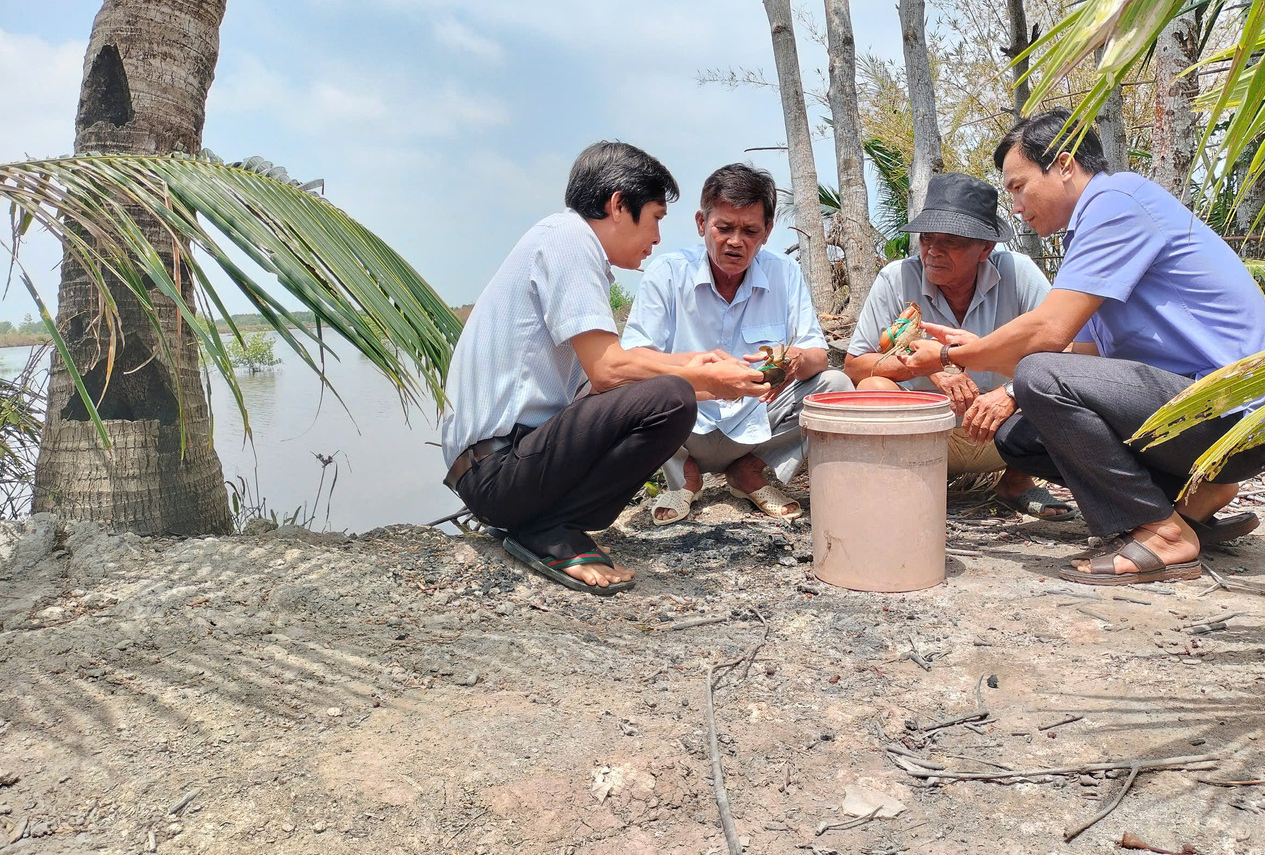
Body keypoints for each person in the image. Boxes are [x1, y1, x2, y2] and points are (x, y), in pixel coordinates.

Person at [910, 109, 1265, 585]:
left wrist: (952, 356)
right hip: (1198, 414)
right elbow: (1087, 352)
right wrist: (1002, 385)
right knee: (1017, 438)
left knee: (1037, 377)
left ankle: (1164, 534)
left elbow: (1049, 336)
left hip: (1234, 417)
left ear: (1065, 165)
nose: (1015, 205)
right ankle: (1193, 499)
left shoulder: (1117, 204)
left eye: (1018, 186)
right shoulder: (1096, 224)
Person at [439, 142, 768, 595]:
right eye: (654, 217)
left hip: (505, 469)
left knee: (674, 391)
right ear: (618, 205)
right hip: (497, 474)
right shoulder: (568, 240)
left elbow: (614, 376)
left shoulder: (562, 244)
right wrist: (700, 378)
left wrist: (703, 369)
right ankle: (551, 527)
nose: (656, 238)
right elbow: (609, 370)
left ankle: (546, 524)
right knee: (672, 398)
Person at [621, 163, 853, 524]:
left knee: (836, 387)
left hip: (758, 420)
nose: (735, 241)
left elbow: (818, 356)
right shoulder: (667, 273)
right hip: (683, 425)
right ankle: (685, 476)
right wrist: (698, 375)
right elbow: (635, 358)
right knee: (632, 385)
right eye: (724, 228)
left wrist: (796, 359)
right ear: (702, 223)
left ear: (767, 232)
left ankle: (750, 471)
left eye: (750, 231)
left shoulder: (785, 273)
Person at [845, 172, 1072, 519]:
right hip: (924, 437)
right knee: (873, 387)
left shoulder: (1018, 273)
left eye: (950, 241)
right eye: (926, 239)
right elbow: (855, 365)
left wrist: (1011, 393)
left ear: (985, 248)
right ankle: (907, 485)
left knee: (1070, 389)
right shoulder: (895, 279)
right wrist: (931, 365)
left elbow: (1068, 355)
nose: (932, 252)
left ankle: (1017, 481)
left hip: (1003, 434)